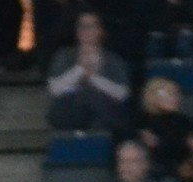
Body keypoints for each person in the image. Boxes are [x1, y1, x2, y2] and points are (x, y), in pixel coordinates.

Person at [45, 9, 130, 137]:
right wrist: (80, 69)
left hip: (104, 117)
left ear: (100, 30)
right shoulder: (64, 55)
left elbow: (122, 93)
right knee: (83, 97)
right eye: (81, 26)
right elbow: (55, 89)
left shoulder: (113, 59)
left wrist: (93, 78)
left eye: (91, 26)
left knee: (99, 106)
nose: (85, 30)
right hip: (69, 113)